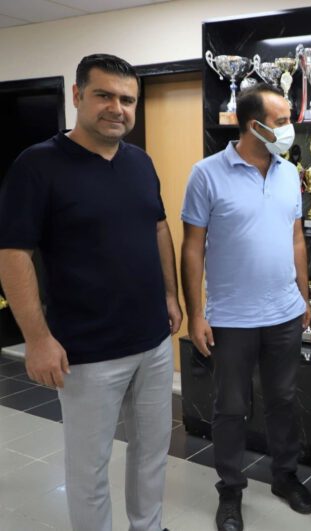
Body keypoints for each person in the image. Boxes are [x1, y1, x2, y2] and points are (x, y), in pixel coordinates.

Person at [0, 54, 181, 531]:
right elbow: (13, 254)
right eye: (104, 95)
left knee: (152, 453)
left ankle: (149, 526)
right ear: (77, 95)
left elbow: (158, 228)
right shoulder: (37, 165)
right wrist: (37, 339)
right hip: (86, 352)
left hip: (153, 343)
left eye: (127, 100)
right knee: (89, 470)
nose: (117, 108)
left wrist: (171, 296)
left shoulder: (140, 162)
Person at [181, 82, 311, 531]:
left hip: (284, 313)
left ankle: (285, 476)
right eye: (282, 121)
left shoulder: (289, 173)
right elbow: (192, 248)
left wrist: (304, 296)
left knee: (284, 400)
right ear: (253, 125)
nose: (289, 128)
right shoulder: (206, 174)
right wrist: (196, 313)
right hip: (232, 317)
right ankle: (231, 491)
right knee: (231, 407)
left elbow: (296, 239)